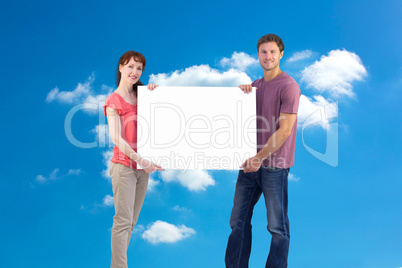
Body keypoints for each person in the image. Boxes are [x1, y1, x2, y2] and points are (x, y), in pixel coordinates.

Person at [225, 34, 300, 268]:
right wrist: (241, 94)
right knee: (238, 221)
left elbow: (285, 129)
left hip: (274, 167)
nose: (268, 56)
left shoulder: (289, 86)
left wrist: (259, 158)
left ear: (281, 54)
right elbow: (237, 116)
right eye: (263, 52)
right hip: (249, 165)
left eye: (272, 52)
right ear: (258, 55)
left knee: (277, 227)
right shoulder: (255, 86)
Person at [104, 51, 164, 268]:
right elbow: (116, 138)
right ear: (120, 67)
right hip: (124, 166)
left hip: (143, 168)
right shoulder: (113, 100)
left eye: (139, 69)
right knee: (122, 222)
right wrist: (141, 159)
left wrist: (156, 94)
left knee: (131, 223)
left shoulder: (143, 96)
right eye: (130, 66)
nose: (135, 72)